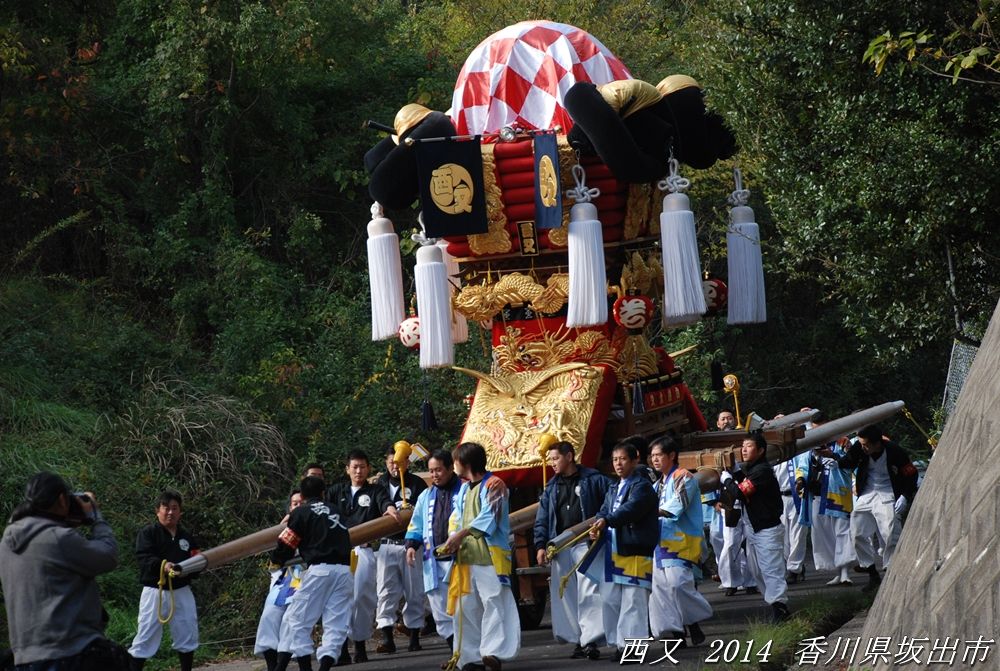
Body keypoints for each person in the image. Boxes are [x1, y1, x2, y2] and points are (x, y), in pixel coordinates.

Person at [0, 472, 122, 670]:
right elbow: (108, 556)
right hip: (70, 654)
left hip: (25, 658)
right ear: (62, 500)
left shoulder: (7, 542)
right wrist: (95, 517)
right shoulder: (58, 538)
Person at [439, 442, 520, 671]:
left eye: (455, 461)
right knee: (466, 607)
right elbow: (455, 517)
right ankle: (469, 658)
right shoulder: (464, 489)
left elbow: (489, 518)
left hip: (490, 556)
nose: (454, 465)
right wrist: (451, 538)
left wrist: (460, 535)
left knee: (495, 602)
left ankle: (493, 652)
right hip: (465, 557)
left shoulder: (496, 485)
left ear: (465, 463)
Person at [532, 440, 611, 660]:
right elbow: (542, 518)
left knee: (589, 592)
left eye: (556, 458)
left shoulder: (594, 479)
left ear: (569, 456)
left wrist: (600, 525)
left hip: (586, 542)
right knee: (565, 594)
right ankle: (577, 639)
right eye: (550, 460)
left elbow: (609, 504)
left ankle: (591, 639)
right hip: (560, 545)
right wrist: (540, 545)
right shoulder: (551, 487)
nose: (553, 464)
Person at [817, 424, 918, 591]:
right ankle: (871, 572)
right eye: (861, 444)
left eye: (866, 445)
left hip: (888, 492)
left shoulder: (895, 451)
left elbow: (911, 473)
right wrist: (836, 461)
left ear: (878, 443)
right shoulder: (860, 448)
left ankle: (892, 570)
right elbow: (849, 461)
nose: (863, 447)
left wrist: (905, 496)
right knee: (857, 532)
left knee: (891, 531)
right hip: (867, 493)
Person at [270, 476, 354, 671]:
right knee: (336, 623)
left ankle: (306, 668)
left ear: (303, 495)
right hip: (344, 570)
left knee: (298, 620)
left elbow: (287, 543)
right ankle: (324, 667)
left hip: (320, 570)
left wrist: (277, 560)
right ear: (323, 493)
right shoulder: (336, 510)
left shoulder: (300, 512)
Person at [324, 450, 399, 664]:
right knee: (338, 600)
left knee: (362, 599)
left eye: (363, 467)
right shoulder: (336, 491)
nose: (358, 471)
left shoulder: (376, 491)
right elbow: (319, 509)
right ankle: (342, 648)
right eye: (354, 467)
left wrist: (390, 508)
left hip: (364, 551)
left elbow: (386, 503)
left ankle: (360, 644)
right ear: (347, 469)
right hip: (338, 554)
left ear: (368, 468)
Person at [587, 441, 658, 664]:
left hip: (635, 549)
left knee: (633, 601)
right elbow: (605, 510)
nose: (618, 464)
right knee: (609, 599)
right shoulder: (613, 487)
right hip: (614, 549)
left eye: (623, 459)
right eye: (615, 459)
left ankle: (633, 648)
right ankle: (620, 642)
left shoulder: (642, 486)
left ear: (635, 460)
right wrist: (598, 521)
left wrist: (606, 520)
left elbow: (631, 509)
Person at [648, 436, 712, 646]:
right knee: (661, 589)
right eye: (653, 456)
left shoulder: (685, 478)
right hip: (660, 541)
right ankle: (676, 632)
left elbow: (677, 505)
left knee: (678, 584)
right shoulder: (657, 485)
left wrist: (646, 513)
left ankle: (693, 622)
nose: (655, 460)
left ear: (671, 455)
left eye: (659, 455)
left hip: (682, 542)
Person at [720, 432, 791, 622]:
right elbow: (745, 481)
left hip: (767, 529)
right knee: (757, 570)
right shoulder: (754, 469)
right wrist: (735, 472)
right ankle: (775, 605)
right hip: (754, 528)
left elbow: (741, 492)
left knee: (771, 569)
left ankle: (780, 609)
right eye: (743, 446)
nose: (743, 449)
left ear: (760, 450)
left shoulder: (763, 471)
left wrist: (726, 479)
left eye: (749, 446)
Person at [128, 491, 200, 671]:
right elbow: (144, 557)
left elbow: (195, 559)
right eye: (166, 508)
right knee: (145, 635)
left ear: (180, 512)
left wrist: (196, 565)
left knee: (187, 633)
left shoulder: (186, 537)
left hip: (182, 591)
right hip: (155, 591)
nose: (170, 512)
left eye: (174, 508)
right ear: (157, 511)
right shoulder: (149, 533)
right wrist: (164, 566)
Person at [404, 449, 463, 653]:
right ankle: (457, 654)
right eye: (431, 471)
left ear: (449, 468)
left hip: (461, 560)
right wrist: (412, 546)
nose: (434, 475)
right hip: (433, 562)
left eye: (438, 470)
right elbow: (416, 524)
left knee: (463, 611)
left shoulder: (465, 490)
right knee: (441, 614)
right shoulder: (426, 496)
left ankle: (467, 656)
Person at [374, 445, 428, 654]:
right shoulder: (380, 485)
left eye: (400, 462)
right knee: (386, 592)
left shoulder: (417, 484)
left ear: (407, 462)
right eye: (391, 463)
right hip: (387, 544)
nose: (396, 467)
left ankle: (414, 634)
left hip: (410, 545)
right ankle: (387, 638)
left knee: (414, 591)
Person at [254, 490, 306, 671]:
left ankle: (282, 664)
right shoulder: (282, 528)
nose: (298, 507)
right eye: (295, 504)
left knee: (291, 618)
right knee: (269, 615)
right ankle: (271, 664)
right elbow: (274, 558)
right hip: (283, 578)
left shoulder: (314, 524)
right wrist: (280, 530)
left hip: (306, 577)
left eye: (302, 503)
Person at [774, 451, 813, 583]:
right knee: (783, 536)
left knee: (797, 534)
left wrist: (800, 479)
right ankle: (794, 565)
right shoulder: (772, 456)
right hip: (779, 498)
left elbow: (803, 467)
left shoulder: (798, 452)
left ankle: (794, 569)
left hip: (796, 497)